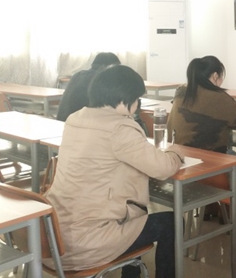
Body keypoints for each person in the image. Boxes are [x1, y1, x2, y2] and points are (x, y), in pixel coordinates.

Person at [45, 65, 183, 278]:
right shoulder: (119, 128)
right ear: (124, 98)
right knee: (170, 223)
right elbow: (163, 168)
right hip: (85, 243)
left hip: (53, 237)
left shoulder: (75, 119)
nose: (137, 105)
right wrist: (176, 152)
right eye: (137, 99)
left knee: (135, 215)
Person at [167, 55, 236, 153]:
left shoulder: (181, 90)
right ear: (215, 76)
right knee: (232, 154)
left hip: (177, 154)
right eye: (221, 76)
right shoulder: (218, 97)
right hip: (204, 157)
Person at [56, 52, 120, 121]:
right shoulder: (102, 78)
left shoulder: (77, 75)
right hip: (80, 122)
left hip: (62, 120)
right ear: (111, 66)